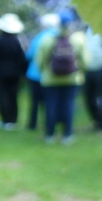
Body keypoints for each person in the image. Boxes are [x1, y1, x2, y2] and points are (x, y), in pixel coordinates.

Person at [36, 8, 87, 144]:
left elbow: (40, 60)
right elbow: (85, 60)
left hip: (50, 79)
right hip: (72, 79)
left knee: (51, 106)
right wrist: (80, 72)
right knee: (68, 106)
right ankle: (67, 135)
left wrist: (44, 71)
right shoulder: (78, 38)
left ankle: (50, 135)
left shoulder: (48, 39)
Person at [0, 13, 28, 130]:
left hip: (0, 74)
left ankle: (5, 120)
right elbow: (23, 59)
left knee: (2, 96)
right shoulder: (18, 41)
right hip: (15, 74)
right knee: (13, 96)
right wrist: (23, 73)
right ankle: (13, 120)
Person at [25, 13, 60, 131]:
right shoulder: (60, 36)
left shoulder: (40, 37)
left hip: (36, 75)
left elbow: (30, 55)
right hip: (55, 74)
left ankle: (32, 124)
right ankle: (51, 124)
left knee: (35, 102)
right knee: (51, 101)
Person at [84, 26, 102, 130]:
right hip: (88, 69)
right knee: (89, 97)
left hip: (100, 68)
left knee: (99, 97)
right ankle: (96, 121)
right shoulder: (87, 29)